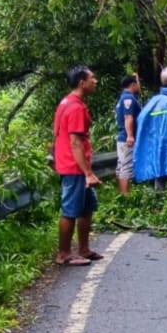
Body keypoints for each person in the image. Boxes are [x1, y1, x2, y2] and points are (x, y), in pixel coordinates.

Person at [53, 65, 101, 266]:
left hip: (74, 165)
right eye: (92, 78)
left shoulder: (67, 102)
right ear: (82, 83)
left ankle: (83, 249)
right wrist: (88, 173)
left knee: (87, 207)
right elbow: (75, 142)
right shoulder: (75, 108)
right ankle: (63, 254)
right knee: (71, 210)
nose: (95, 81)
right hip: (74, 167)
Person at [113, 74, 141, 196]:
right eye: (138, 84)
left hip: (122, 138)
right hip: (126, 138)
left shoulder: (123, 98)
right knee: (126, 167)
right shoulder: (128, 99)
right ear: (133, 85)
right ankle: (125, 196)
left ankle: (121, 195)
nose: (139, 87)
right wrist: (130, 135)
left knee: (121, 166)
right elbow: (128, 117)